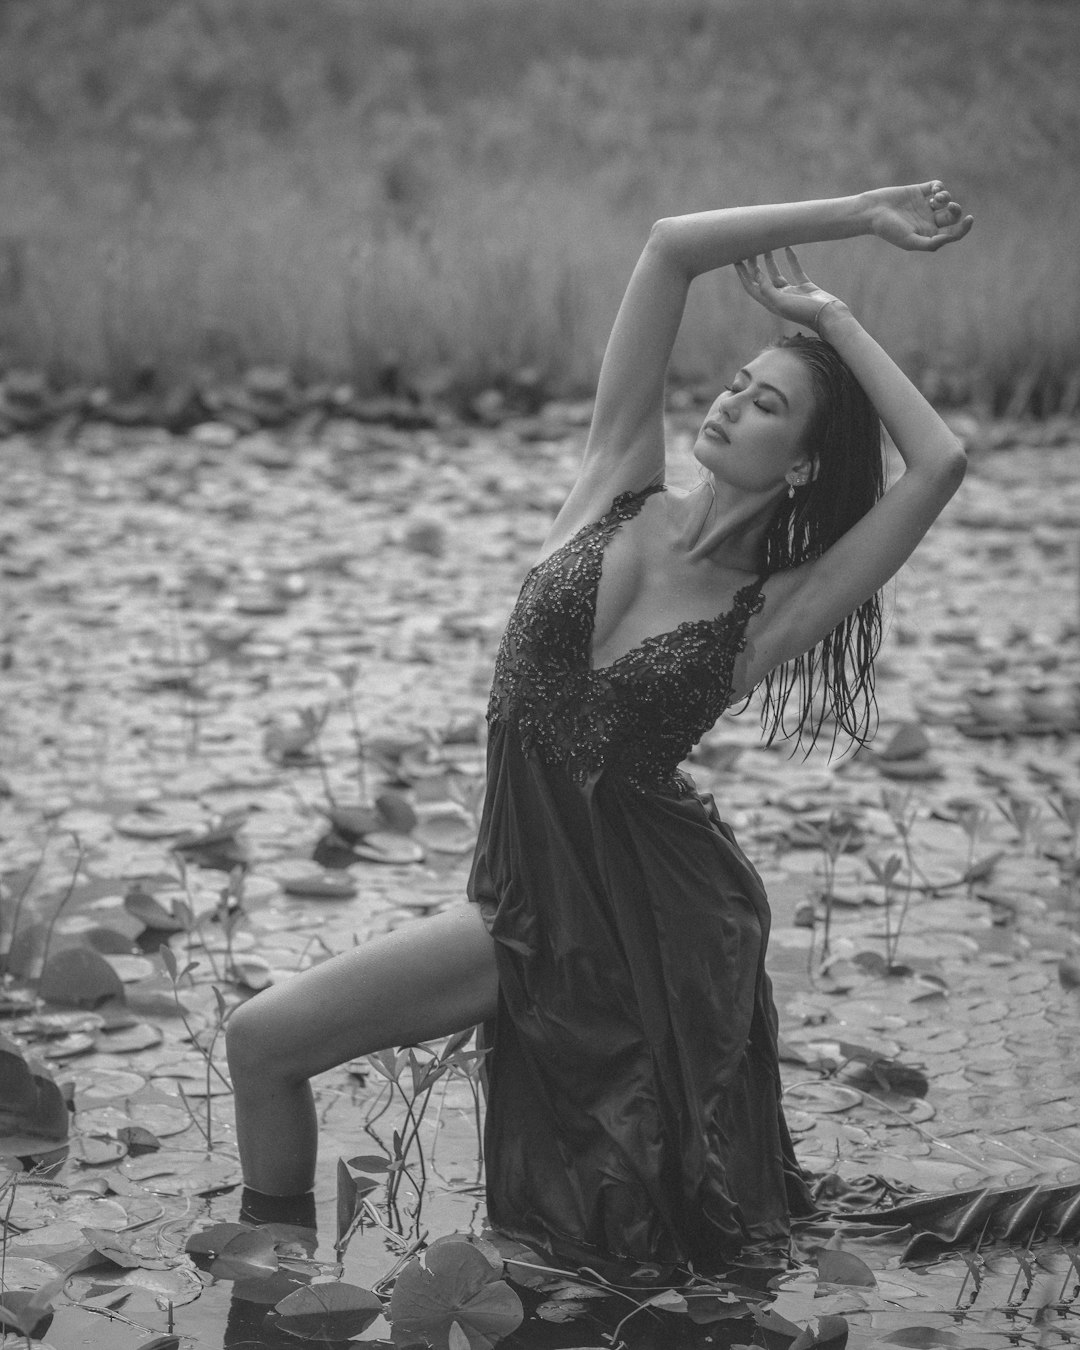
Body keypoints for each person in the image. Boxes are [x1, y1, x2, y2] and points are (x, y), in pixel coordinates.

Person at [226, 180, 973, 1278]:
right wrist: (859, 213)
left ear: (805, 463)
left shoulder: (772, 608)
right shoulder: (619, 482)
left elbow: (942, 462)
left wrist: (836, 322)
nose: (725, 404)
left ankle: (264, 1303)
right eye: (734, 383)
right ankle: (271, 1292)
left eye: (765, 405)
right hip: (525, 895)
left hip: (627, 925)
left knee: (271, 1046)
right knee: (267, 1048)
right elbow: (670, 248)